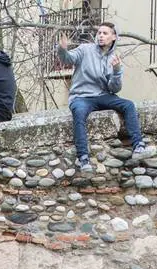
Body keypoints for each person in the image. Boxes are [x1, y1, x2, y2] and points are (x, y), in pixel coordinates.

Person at [58, 23, 149, 167]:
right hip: (81, 96)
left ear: (113, 37)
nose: (100, 35)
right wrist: (62, 49)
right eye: (99, 33)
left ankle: (138, 146)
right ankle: (83, 158)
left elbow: (114, 88)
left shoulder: (113, 58)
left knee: (128, 105)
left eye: (105, 33)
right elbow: (68, 58)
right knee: (79, 113)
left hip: (102, 95)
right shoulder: (85, 49)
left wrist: (117, 70)